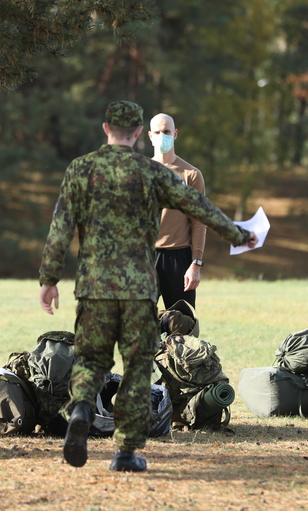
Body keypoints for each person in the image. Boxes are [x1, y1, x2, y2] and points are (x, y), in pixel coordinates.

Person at [38, 100, 257, 472]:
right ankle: (124, 453)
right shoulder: (151, 171)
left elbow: (61, 226)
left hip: (95, 284)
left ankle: (80, 410)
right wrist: (239, 234)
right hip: (138, 284)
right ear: (140, 132)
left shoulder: (81, 168)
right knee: (138, 366)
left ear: (106, 129)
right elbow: (199, 207)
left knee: (91, 359)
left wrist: (49, 278)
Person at [149, 113, 207, 309]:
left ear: (175, 134)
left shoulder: (191, 175)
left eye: (166, 132)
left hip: (179, 258)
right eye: (157, 132)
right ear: (150, 136)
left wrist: (195, 264)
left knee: (182, 323)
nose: (162, 136)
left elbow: (199, 222)